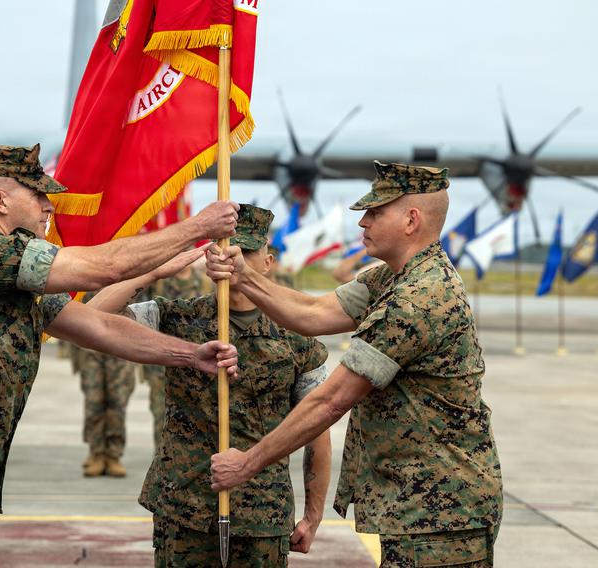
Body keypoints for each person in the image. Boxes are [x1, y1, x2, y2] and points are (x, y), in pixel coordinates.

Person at [0, 144, 240, 568]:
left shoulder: (11, 276)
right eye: (38, 195)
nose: (49, 206)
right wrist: (196, 226)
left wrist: (190, 354)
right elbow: (103, 268)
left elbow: (96, 325)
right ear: (1, 200)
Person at [207, 163, 503, 567]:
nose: (363, 221)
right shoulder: (392, 279)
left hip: (441, 516)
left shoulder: (419, 299)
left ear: (411, 220)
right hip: (423, 509)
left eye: (376, 212)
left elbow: (330, 401)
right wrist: (244, 277)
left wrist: (248, 462)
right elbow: (312, 313)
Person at [88, 204, 332, 567]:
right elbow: (95, 317)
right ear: (207, 257)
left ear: (268, 261)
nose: (233, 258)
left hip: (262, 513)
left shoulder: (297, 334)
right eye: (223, 248)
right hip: (185, 507)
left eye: (246, 251)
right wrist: (153, 270)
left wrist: (313, 516)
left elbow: (317, 429)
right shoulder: (178, 316)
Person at [138, 257, 212, 448]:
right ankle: (162, 455)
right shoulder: (161, 283)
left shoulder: (205, 282)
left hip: (199, 363)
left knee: (197, 417)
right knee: (160, 413)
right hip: (161, 363)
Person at [68, 292, 138, 478]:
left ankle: (113, 455)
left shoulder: (130, 267)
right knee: (94, 401)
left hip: (121, 344)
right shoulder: (85, 266)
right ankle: (97, 453)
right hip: (89, 347)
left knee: (117, 402)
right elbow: (70, 307)